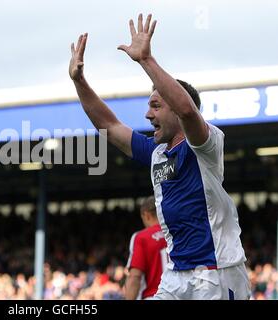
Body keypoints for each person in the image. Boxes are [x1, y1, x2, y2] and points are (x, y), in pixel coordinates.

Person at [69, 13, 250, 299]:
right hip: (177, 275)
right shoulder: (157, 154)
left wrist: (146, 61)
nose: (147, 114)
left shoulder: (205, 145)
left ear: (175, 111)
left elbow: (189, 111)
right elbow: (109, 126)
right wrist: (79, 81)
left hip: (217, 271)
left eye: (155, 106)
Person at [125, 196, 166, 300]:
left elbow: (135, 276)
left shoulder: (141, 237)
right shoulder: (177, 233)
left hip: (154, 296)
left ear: (146, 215)